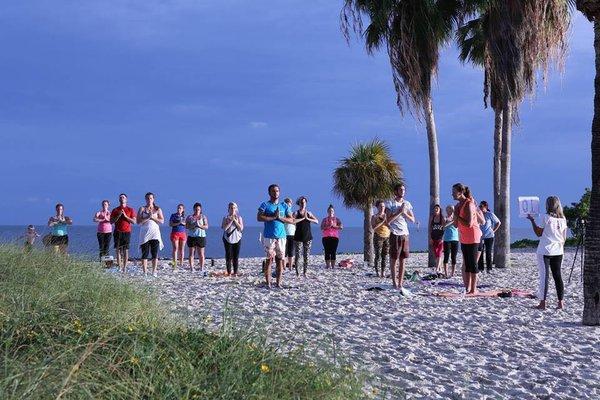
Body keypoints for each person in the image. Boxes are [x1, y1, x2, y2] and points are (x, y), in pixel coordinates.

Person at [527, 196, 567, 310]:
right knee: (558, 276)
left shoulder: (545, 217)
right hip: (558, 250)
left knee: (544, 277)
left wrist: (532, 221)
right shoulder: (563, 219)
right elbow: (564, 238)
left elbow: (538, 233)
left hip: (545, 250)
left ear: (547, 205)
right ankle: (560, 303)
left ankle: (543, 303)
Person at [257, 184, 294, 288]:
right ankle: (268, 283)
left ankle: (278, 283)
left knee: (279, 260)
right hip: (269, 236)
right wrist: (273, 217)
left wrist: (280, 218)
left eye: (277, 191)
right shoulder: (265, 204)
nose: (275, 193)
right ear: (269, 193)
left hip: (281, 236)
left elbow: (291, 220)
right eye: (273, 191)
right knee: (269, 260)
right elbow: (259, 217)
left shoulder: (284, 206)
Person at [452, 183, 484, 295]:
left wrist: (458, 216)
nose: (452, 194)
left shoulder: (469, 204)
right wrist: (455, 215)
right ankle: (467, 288)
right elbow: (456, 225)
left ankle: (473, 289)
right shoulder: (457, 206)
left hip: (473, 235)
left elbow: (469, 223)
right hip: (464, 237)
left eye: (454, 192)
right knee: (466, 264)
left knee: (473, 263)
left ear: (460, 192)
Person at [385, 184, 415, 295]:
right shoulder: (390, 203)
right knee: (394, 259)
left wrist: (404, 212)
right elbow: (388, 221)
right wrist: (398, 212)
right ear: (396, 191)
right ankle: (394, 282)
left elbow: (412, 219)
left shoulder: (407, 204)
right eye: (400, 189)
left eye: (403, 189)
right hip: (395, 233)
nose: (402, 191)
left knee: (403, 259)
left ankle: (400, 283)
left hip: (405, 233)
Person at [137, 192, 164, 277]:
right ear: (145, 199)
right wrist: (148, 217)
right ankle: (145, 272)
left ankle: (154, 271)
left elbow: (162, 221)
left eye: (151, 198)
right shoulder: (142, 209)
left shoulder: (158, 209)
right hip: (144, 233)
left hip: (155, 233)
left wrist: (153, 217)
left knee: (154, 253)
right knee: (145, 253)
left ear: (153, 199)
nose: (149, 200)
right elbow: (138, 222)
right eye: (148, 198)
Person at [110, 193, 137, 273]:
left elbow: (134, 222)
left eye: (123, 197)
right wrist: (118, 215)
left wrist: (125, 216)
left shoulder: (130, 209)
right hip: (117, 231)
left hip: (127, 232)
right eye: (120, 197)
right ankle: (119, 266)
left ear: (126, 199)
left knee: (125, 250)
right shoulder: (115, 210)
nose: (122, 198)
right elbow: (111, 221)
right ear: (119, 199)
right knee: (118, 250)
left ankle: (125, 267)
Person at [293, 196, 318, 276]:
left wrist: (308, 218)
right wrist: (303, 218)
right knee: (298, 256)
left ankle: (305, 272)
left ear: (306, 203)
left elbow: (316, 221)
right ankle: (297, 273)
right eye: (301, 202)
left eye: (304, 202)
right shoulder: (296, 213)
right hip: (298, 237)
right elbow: (292, 221)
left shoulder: (309, 213)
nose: (303, 204)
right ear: (299, 203)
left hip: (308, 237)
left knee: (306, 256)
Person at [477, 201, 501, 273]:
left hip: (489, 236)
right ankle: (480, 268)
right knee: (480, 252)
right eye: (479, 206)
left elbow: (498, 222)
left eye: (481, 206)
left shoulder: (490, 214)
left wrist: (493, 231)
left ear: (485, 207)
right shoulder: (479, 214)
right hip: (480, 236)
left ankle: (489, 268)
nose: (480, 208)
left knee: (488, 252)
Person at [222, 202, 244, 275]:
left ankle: (235, 272)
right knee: (228, 256)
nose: (232, 209)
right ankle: (229, 272)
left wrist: (235, 221)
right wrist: (231, 221)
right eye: (231, 208)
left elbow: (241, 228)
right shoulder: (225, 218)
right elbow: (224, 228)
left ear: (236, 209)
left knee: (236, 256)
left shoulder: (239, 218)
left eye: (234, 208)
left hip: (237, 238)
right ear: (228, 209)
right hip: (227, 239)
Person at [186, 202, 209, 272]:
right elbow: (186, 226)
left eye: (198, 209)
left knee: (201, 253)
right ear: (193, 209)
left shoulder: (203, 217)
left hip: (201, 236)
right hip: (192, 236)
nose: (197, 211)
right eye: (196, 209)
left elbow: (206, 226)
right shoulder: (190, 217)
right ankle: (192, 268)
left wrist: (199, 226)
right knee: (191, 253)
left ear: (200, 209)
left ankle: (201, 268)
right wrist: (193, 225)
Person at [371, 200, 390, 278]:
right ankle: (377, 272)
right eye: (380, 206)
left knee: (385, 255)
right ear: (377, 207)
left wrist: (387, 222)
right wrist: (382, 221)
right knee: (378, 255)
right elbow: (373, 227)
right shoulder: (374, 216)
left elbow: (390, 226)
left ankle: (383, 271)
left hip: (387, 236)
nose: (382, 208)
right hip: (378, 236)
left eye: (383, 206)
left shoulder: (387, 216)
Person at [321, 204, 343, 268]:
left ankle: (333, 266)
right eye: (330, 211)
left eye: (332, 211)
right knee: (327, 251)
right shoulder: (324, 219)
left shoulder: (337, 219)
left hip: (335, 237)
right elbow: (321, 227)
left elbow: (341, 227)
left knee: (333, 251)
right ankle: (328, 265)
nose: (331, 212)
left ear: (334, 212)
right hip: (326, 237)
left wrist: (334, 226)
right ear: (327, 212)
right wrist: (328, 226)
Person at [443, 205, 459, 278]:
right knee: (446, 256)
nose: (452, 210)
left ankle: (452, 273)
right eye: (450, 209)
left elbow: (457, 226)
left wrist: (454, 220)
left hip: (455, 239)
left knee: (454, 257)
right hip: (447, 239)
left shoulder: (456, 217)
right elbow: (443, 227)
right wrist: (452, 222)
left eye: (452, 209)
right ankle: (446, 273)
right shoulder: (445, 217)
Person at [169, 204, 187, 269]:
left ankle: (181, 263)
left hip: (183, 233)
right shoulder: (173, 215)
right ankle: (174, 264)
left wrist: (183, 223)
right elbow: (170, 224)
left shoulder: (184, 216)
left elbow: (187, 225)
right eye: (178, 208)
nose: (179, 209)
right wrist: (178, 223)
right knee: (175, 248)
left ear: (183, 209)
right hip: (175, 232)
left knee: (182, 249)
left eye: (180, 208)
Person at [428, 204, 445, 275]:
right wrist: (430, 238)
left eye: (437, 209)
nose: (436, 210)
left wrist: (442, 238)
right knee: (435, 253)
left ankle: (437, 268)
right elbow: (430, 228)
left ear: (439, 209)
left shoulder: (442, 218)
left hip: (440, 238)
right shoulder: (432, 217)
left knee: (439, 253)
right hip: (433, 237)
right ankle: (440, 267)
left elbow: (444, 228)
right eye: (435, 209)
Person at [283, 198, 296, 271]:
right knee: (284, 251)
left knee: (291, 251)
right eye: (287, 203)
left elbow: (295, 222)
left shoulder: (292, 213)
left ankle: (290, 267)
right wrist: (291, 220)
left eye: (290, 203)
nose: (289, 205)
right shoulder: (283, 212)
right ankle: (284, 267)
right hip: (284, 234)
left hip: (292, 233)